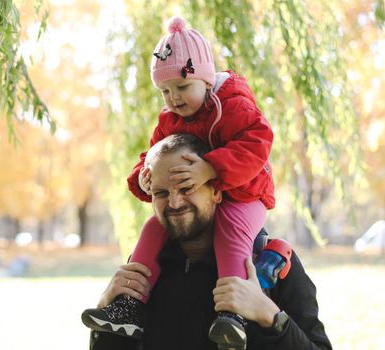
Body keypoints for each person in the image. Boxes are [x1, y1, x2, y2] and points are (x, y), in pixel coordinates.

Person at [82, 16, 275, 348]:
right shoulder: (170, 120)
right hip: (208, 192)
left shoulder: (232, 105)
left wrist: (211, 168)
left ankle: (233, 313)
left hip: (246, 191)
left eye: (182, 87)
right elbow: (155, 155)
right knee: (153, 228)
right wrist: (144, 175)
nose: (174, 98)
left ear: (203, 78)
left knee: (230, 230)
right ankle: (129, 304)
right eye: (165, 91)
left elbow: (258, 142)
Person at [83, 134, 332, 350]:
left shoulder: (270, 262)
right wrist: (106, 304)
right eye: (161, 193)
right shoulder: (145, 270)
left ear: (215, 190)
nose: (174, 203)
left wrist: (269, 315)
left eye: (186, 187)